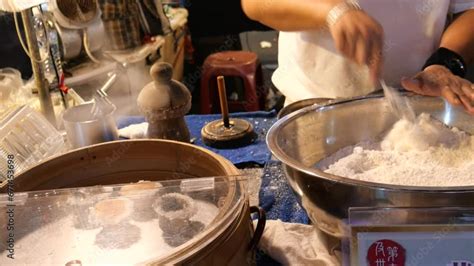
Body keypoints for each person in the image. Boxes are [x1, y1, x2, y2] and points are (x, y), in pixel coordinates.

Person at [241, 0, 474, 114]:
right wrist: (333, 11)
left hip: (419, 107)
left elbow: (468, 8)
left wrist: (444, 63)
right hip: (317, 111)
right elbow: (257, 4)